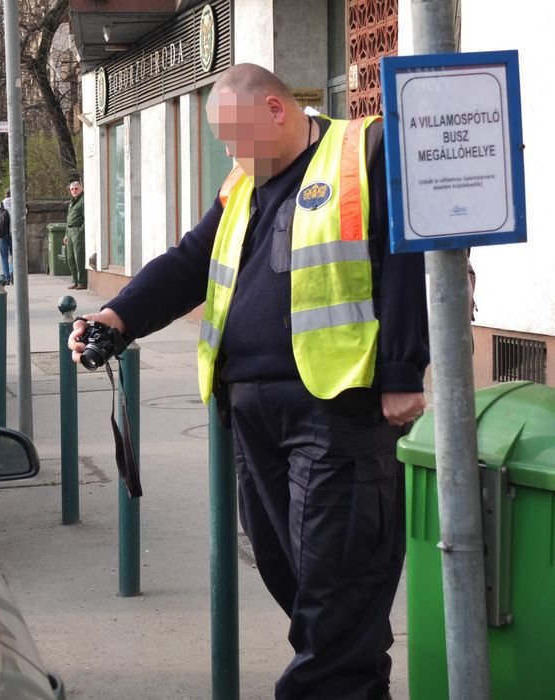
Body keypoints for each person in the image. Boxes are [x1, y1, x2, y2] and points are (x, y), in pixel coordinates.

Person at [69, 63, 429, 700]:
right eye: (223, 143)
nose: (232, 154)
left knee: (334, 593)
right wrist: (117, 317)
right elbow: (189, 262)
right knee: (300, 586)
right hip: (251, 415)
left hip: (335, 408)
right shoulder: (242, 185)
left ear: (278, 111)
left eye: (238, 138)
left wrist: (404, 369)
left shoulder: (362, 151)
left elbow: (408, 254)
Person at [64, 176, 86, 290]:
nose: (74, 191)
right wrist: (66, 234)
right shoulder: (72, 202)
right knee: (70, 257)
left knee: (79, 257)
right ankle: (75, 280)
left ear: (81, 188)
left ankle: (82, 281)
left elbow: (86, 218)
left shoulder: (83, 200)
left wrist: (81, 231)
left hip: (78, 230)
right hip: (70, 230)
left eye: (76, 189)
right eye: (72, 189)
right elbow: (69, 219)